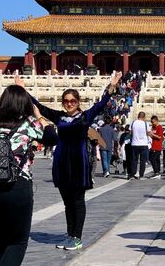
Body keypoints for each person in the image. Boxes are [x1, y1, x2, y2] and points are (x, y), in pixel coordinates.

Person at [16, 72, 121, 251]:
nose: (69, 103)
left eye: (72, 101)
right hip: (62, 162)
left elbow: (102, 103)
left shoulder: (85, 116)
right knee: (67, 202)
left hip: (79, 163)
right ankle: (70, 234)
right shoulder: (59, 117)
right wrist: (22, 90)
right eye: (66, 101)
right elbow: (38, 105)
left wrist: (111, 86)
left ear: (78, 102)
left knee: (78, 201)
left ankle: (77, 237)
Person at [0, 85, 56, 265]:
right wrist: (39, 116)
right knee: (17, 240)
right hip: (15, 187)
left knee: (3, 234)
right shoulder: (28, 123)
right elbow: (52, 138)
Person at [130, 111, 151, 180]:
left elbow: (131, 132)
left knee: (134, 160)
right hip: (144, 144)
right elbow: (148, 133)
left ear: (138, 116)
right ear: (144, 117)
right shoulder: (145, 123)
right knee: (143, 161)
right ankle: (141, 175)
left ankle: (133, 174)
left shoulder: (133, 123)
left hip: (134, 143)